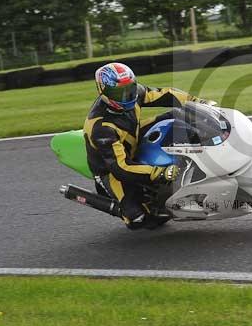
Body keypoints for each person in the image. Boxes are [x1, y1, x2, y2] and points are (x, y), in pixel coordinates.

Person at [84, 62, 212, 230]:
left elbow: (167, 94)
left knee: (178, 115)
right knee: (139, 219)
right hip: (110, 170)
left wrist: (197, 102)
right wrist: (158, 172)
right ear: (104, 93)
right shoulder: (101, 128)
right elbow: (121, 167)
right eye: (118, 92)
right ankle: (126, 210)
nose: (127, 96)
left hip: (132, 136)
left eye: (129, 88)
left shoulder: (134, 93)